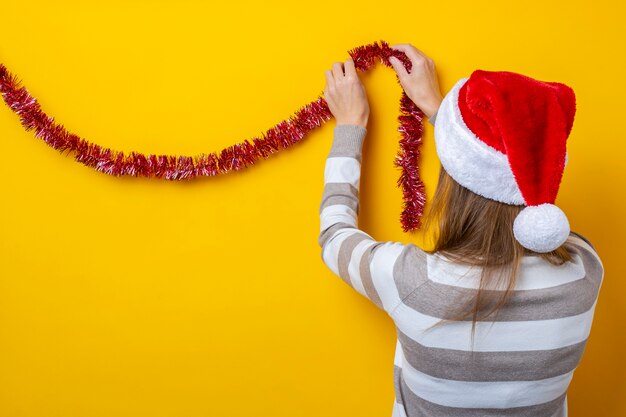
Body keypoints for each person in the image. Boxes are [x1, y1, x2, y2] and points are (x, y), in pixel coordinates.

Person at [319, 43, 604, 417]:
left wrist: (350, 126)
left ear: (453, 180)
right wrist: (441, 114)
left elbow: (335, 234)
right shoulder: (584, 270)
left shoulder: (415, 281)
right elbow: (517, 176)